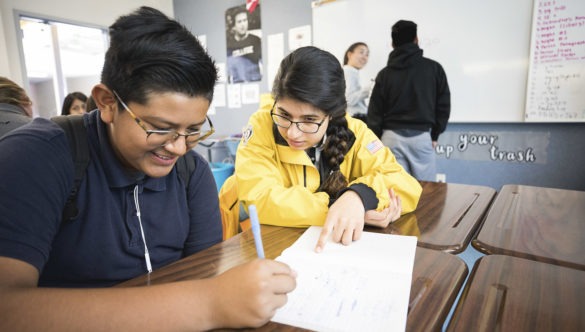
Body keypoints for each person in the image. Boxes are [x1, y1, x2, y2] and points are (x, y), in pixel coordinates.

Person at [0, 7, 295, 331]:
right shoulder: (37, 156)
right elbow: (8, 309)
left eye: (194, 129)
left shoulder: (191, 172)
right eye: (160, 127)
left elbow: (204, 274)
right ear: (107, 103)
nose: (179, 147)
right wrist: (209, 304)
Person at [231, 46, 422, 253]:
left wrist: (358, 197)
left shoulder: (355, 130)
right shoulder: (261, 125)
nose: (293, 133)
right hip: (270, 248)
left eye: (309, 120)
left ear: (331, 114)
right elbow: (260, 200)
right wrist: (342, 209)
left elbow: (405, 184)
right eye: (284, 115)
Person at [367, 20, 450, 182]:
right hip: (421, 138)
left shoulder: (384, 74)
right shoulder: (434, 69)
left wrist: (377, 139)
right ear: (416, 39)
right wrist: (435, 134)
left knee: (394, 191)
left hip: (390, 139)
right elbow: (443, 105)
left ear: (392, 44)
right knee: (426, 191)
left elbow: (374, 111)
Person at [226, 6, 262, 83]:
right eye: (239, 21)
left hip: (255, 83)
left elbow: (263, 62)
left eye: (244, 20)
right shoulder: (229, 44)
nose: (243, 24)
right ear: (234, 26)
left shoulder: (256, 40)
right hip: (238, 86)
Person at [343, 42, 371, 121]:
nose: (364, 57)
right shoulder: (348, 71)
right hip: (354, 119)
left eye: (367, 54)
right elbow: (349, 99)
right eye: (361, 52)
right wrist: (371, 88)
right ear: (350, 55)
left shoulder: (352, 72)